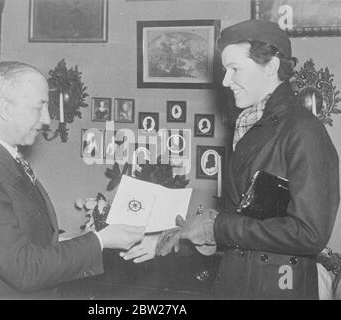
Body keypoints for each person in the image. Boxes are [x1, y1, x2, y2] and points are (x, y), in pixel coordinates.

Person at [122, 20, 339, 300]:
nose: (225, 81)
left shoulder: (304, 131)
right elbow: (245, 219)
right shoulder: (249, 123)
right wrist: (186, 236)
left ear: (271, 66)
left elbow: (310, 234)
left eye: (235, 69)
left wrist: (217, 228)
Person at [0, 62, 144, 298]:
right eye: (39, 107)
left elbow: (19, 239)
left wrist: (80, 239)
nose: (46, 119)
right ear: (5, 108)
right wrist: (100, 241)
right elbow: (24, 269)